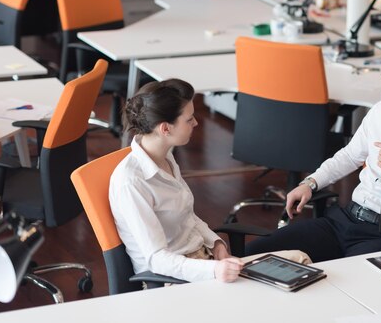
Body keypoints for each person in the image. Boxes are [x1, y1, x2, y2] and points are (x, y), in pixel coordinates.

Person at [245, 46, 381, 262]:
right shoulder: (380, 112)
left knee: (340, 284)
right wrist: (311, 183)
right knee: (255, 253)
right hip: (345, 220)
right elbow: (349, 156)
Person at [110, 79, 308, 283]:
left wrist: (216, 244)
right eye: (189, 119)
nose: (196, 122)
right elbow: (157, 260)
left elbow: (187, 217)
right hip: (174, 280)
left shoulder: (165, 157)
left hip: (205, 261)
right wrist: (213, 270)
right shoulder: (131, 182)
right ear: (165, 129)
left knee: (300, 260)